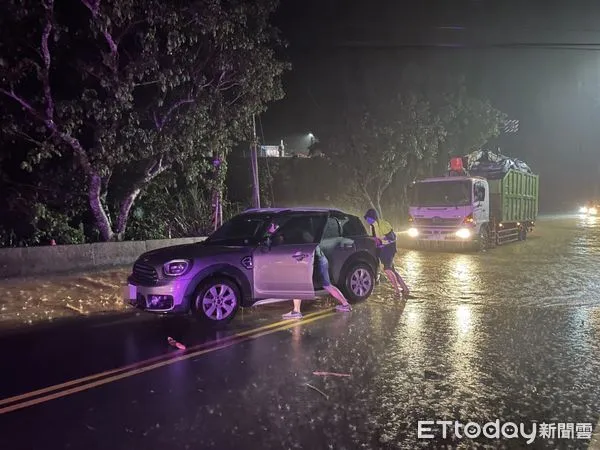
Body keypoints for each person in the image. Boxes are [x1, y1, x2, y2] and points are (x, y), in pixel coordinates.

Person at [282, 245, 352, 319]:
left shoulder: (301, 238)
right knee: (327, 285)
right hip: (322, 260)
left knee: (298, 284)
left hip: (314, 262)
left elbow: (300, 253)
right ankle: (346, 305)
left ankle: (296, 311)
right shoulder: (310, 235)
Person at [364, 208, 410, 299]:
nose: (368, 221)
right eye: (367, 219)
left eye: (369, 219)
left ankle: (397, 292)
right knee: (392, 270)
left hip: (389, 248)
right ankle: (405, 289)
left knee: (387, 269)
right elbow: (374, 239)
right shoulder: (372, 227)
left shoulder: (383, 224)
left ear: (374, 217)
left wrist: (382, 239)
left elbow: (392, 237)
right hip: (382, 249)